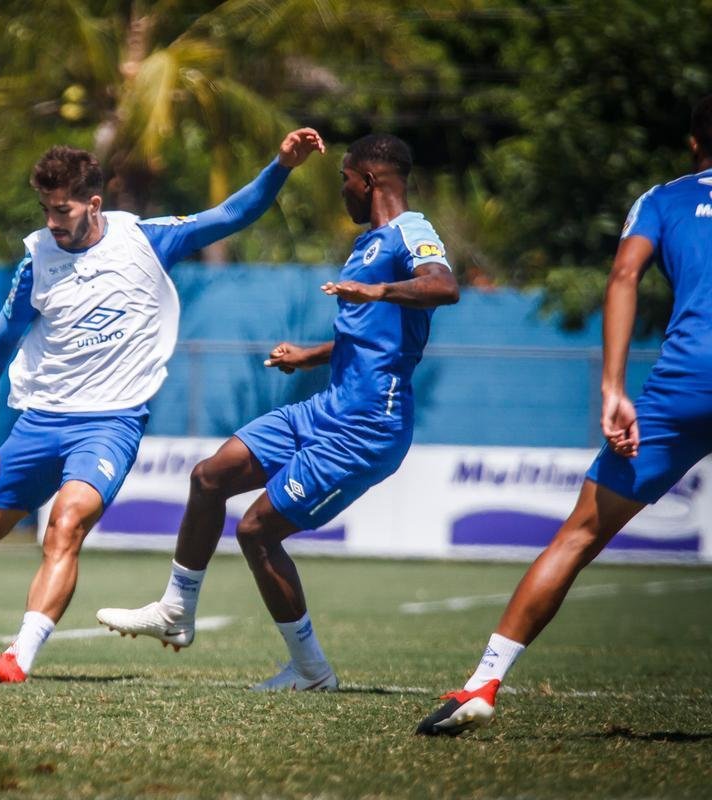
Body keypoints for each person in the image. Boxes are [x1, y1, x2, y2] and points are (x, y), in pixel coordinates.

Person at [0, 128, 327, 682]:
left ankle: (19, 656)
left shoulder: (146, 240)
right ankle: (49, 484)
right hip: (41, 419)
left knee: (64, 527)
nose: (51, 221)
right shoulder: (36, 259)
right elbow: (1, 339)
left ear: (93, 203)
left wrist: (280, 164)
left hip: (109, 424)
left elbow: (231, 214)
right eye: (43, 209)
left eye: (61, 210)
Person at [98, 133, 460, 691]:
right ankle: (176, 609)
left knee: (257, 532)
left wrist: (380, 290)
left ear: (368, 180)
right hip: (326, 408)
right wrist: (309, 354)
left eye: (344, 178)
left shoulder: (412, 230)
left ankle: (312, 671)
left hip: (366, 427)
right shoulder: (370, 243)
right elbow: (370, 340)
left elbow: (444, 286)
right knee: (210, 476)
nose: (342, 190)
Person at [416, 95, 712, 736]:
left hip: (685, 384)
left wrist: (612, 385)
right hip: (684, 386)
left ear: (694, 142)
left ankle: (482, 683)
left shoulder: (662, 199)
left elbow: (624, 276)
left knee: (578, 534)